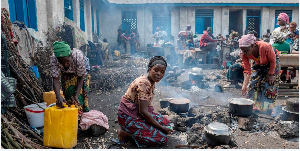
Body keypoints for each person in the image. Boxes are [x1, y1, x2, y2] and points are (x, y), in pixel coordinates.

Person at [117, 56, 174, 147]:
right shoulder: (144, 83)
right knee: (162, 138)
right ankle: (126, 133)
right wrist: (161, 128)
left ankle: (133, 129)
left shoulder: (151, 81)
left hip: (136, 113)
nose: (159, 74)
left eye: (162, 72)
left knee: (166, 122)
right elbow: (143, 112)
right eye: (156, 70)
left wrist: (161, 127)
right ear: (149, 69)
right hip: (128, 116)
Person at [239, 34, 281, 116]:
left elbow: (273, 60)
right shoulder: (243, 53)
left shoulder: (265, 46)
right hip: (258, 63)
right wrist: (244, 85)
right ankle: (253, 106)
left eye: (246, 50)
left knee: (270, 85)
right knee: (252, 84)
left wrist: (271, 74)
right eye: (242, 51)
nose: (244, 53)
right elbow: (247, 70)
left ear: (253, 46)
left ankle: (270, 108)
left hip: (272, 63)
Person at [50, 41, 90, 113]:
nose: (65, 64)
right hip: (66, 73)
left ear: (70, 56)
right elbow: (55, 79)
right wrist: (58, 96)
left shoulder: (78, 56)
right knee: (68, 93)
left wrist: (76, 96)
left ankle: (81, 114)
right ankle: (71, 115)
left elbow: (80, 78)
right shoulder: (54, 58)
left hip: (80, 72)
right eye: (61, 62)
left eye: (67, 61)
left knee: (80, 97)